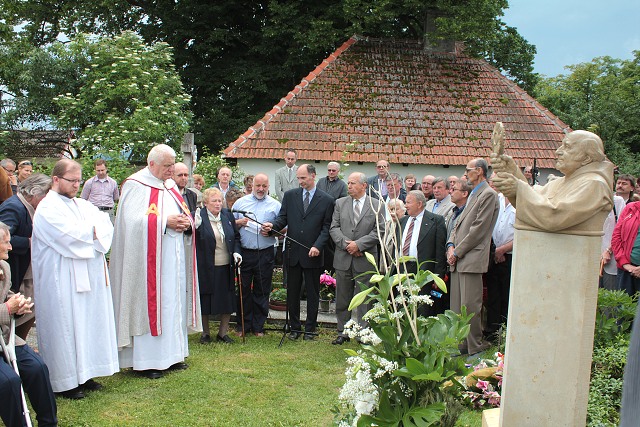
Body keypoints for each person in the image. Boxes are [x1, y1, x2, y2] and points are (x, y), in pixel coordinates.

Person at [110, 144, 201, 380]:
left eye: (173, 165)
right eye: (167, 166)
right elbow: (130, 222)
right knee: (153, 304)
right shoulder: (136, 184)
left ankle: (172, 356)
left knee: (173, 304)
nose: (171, 170)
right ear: (152, 164)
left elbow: (184, 213)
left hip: (173, 258)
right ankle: (148, 361)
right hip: (147, 263)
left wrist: (185, 223)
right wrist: (163, 223)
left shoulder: (170, 186)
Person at [32, 159, 119, 398]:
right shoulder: (47, 208)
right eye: (72, 181)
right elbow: (68, 236)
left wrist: (92, 233)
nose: (77, 186)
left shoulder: (82, 204)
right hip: (61, 278)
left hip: (86, 275)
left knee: (86, 322)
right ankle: (65, 381)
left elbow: (104, 226)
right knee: (65, 324)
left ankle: (86, 373)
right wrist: (89, 233)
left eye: (79, 181)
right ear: (56, 179)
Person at [262, 164, 334, 340]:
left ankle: (309, 329)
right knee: (292, 292)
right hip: (292, 252)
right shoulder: (290, 196)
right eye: (298, 178)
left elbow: (327, 227)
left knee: (312, 293)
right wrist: (273, 227)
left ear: (313, 176)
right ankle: (294, 328)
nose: (300, 181)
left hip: (313, 253)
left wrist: (318, 245)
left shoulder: (326, 199)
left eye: (303, 178)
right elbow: (283, 218)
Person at [0, 222, 57, 426]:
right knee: (8, 382)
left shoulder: (3, 267)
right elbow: (5, 306)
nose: (11, 247)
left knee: (37, 367)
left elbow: (6, 295)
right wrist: (8, 309)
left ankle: (48, 423)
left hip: (6, 338)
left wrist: (19, 302)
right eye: (6, 242)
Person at [446, 158, 499, 356]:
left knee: (470, 306)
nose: (465, 173)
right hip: (459, 258)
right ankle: (460, 344)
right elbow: (458, 224)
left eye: (468, 170)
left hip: (471, 258)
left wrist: (457, 251)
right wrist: (451, 246)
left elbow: (478, 229)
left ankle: (474, 346)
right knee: (457, 306)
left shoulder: (488, 194)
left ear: (479, 171)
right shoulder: (474, 194)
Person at [330, 172, 384, 345]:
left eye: (353, 183)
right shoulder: (340, 203)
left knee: (364, 299)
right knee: (343, 297)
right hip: (343, 258)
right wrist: (348, 245)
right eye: (349, 183)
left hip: (365, 258)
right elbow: (334, 228)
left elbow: (380, 230)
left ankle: (363, 333)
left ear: (364, 185)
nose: (349, 186)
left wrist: (359, 245)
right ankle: (343, 331)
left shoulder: (376, 205)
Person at [0, 174, 51, 340]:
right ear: (34, 193)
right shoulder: (14, 207)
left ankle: (19, 347)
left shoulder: (25, 206)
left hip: (24, 272)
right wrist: (30, 242)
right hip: (14, 272)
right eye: (45, 195)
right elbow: (4, 237)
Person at [233, 174, 281, 336]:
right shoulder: (241, 203)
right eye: (258, 186)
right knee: (243, 290)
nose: (261, 189)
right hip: (245, 252)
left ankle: (258, 326)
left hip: (265, 253)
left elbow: (283, 229)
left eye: (264, 186)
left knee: (262, 290)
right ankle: (243, 325)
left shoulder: (276, 205)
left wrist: (272, 230)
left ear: (269, 186)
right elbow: (229, 226)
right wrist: (239, 223)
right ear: (252, 185)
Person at [195, 188, 242, 344]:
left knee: (227, 300)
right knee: (206, 298)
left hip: (225, 265)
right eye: (214, 201)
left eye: (220, 200)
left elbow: (235, 236)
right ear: (206, 203)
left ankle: (223, 333)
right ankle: (205, 333)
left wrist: (236, 252)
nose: (218, 203)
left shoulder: (227, 215)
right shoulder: (199, 216)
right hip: (206, 266)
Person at [400, 190, 447, 316]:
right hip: (402, 269)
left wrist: (438, 276)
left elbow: (440, 251)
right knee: (403, 307)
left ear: (419, 204)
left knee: (422, 309)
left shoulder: (436, 221)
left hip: (423, 272)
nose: (405, 205)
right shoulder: (403, 221)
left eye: (408, 202)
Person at [484, 176, 516, 340]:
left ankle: (504, 331)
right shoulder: (497, 200)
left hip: (510, 257)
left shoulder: (520, 205)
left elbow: (521, 234)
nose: (495, 185)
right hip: (493, 254)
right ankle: (492, 330)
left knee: (506, 295)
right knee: (493, 295)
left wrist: (503, 250)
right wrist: (495, 250)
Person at [600, 195, 626, 290]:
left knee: (609, 297)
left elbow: (622, 230)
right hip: (591, 257)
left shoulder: (617, 201)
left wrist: (608, 250)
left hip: (611, 258)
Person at [382, 199, 406, 272]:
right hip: (387, 267)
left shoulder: (407, 224)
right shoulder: (387, 225)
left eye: (396, 209)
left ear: (403, 209)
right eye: (391, 209)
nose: (393, 212)